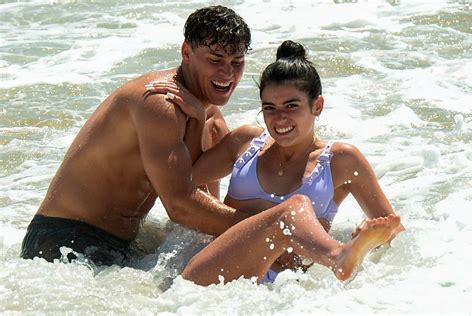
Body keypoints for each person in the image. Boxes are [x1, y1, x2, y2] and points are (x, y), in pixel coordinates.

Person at [148, 40, 404, 285]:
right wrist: (197, 117)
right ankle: (338, 256)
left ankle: (341, 256)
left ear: (318, 105)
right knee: (294, 209)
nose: (279, 118)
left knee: (294, 209)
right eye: (269, 108)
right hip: (217, 270)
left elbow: (393, 230)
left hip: (282, 284)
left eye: (291, 106)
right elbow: (184, 182)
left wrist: (373, 235)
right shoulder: (246, 142)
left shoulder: (341, 160)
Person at [20, 5, 252, 266]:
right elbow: (180, 206)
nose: (228, 73)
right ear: (187, 52)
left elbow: (201, 209)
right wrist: (261, 227)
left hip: (123, 242)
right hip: (65, 240)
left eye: (237, 62)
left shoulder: (209, 119)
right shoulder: (159, 103)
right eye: (215, 60)